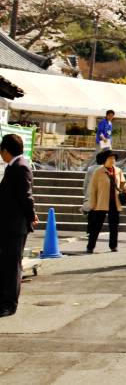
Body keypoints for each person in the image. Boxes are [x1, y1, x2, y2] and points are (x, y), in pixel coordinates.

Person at [0, 134, 36, 317]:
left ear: (6, 150)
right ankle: (4, 299)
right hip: (8, 224)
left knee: (12, 265)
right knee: (5, 263)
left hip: (15, 225)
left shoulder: (20, 167)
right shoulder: (13, 166)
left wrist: (31, 216)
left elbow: (26, 196)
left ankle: (9, 304)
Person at [86, 149, 126, 253]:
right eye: (110, 158)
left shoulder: (118, 171)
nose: (113, 160)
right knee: (96, 226)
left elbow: (123, 183)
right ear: (105, 160)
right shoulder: (98, 172)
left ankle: (113, 246)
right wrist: (92, 203)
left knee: (114, 226)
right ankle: (90, 246)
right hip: (101, 203)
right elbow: (93, 189)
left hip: (115, 203)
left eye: (114, 158)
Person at [82, 151, 106, 219]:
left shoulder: (90, 169)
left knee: (91, 222)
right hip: (102, 200)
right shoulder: (107, 169)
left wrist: (86, 195)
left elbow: (86, 184)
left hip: (91, 198)